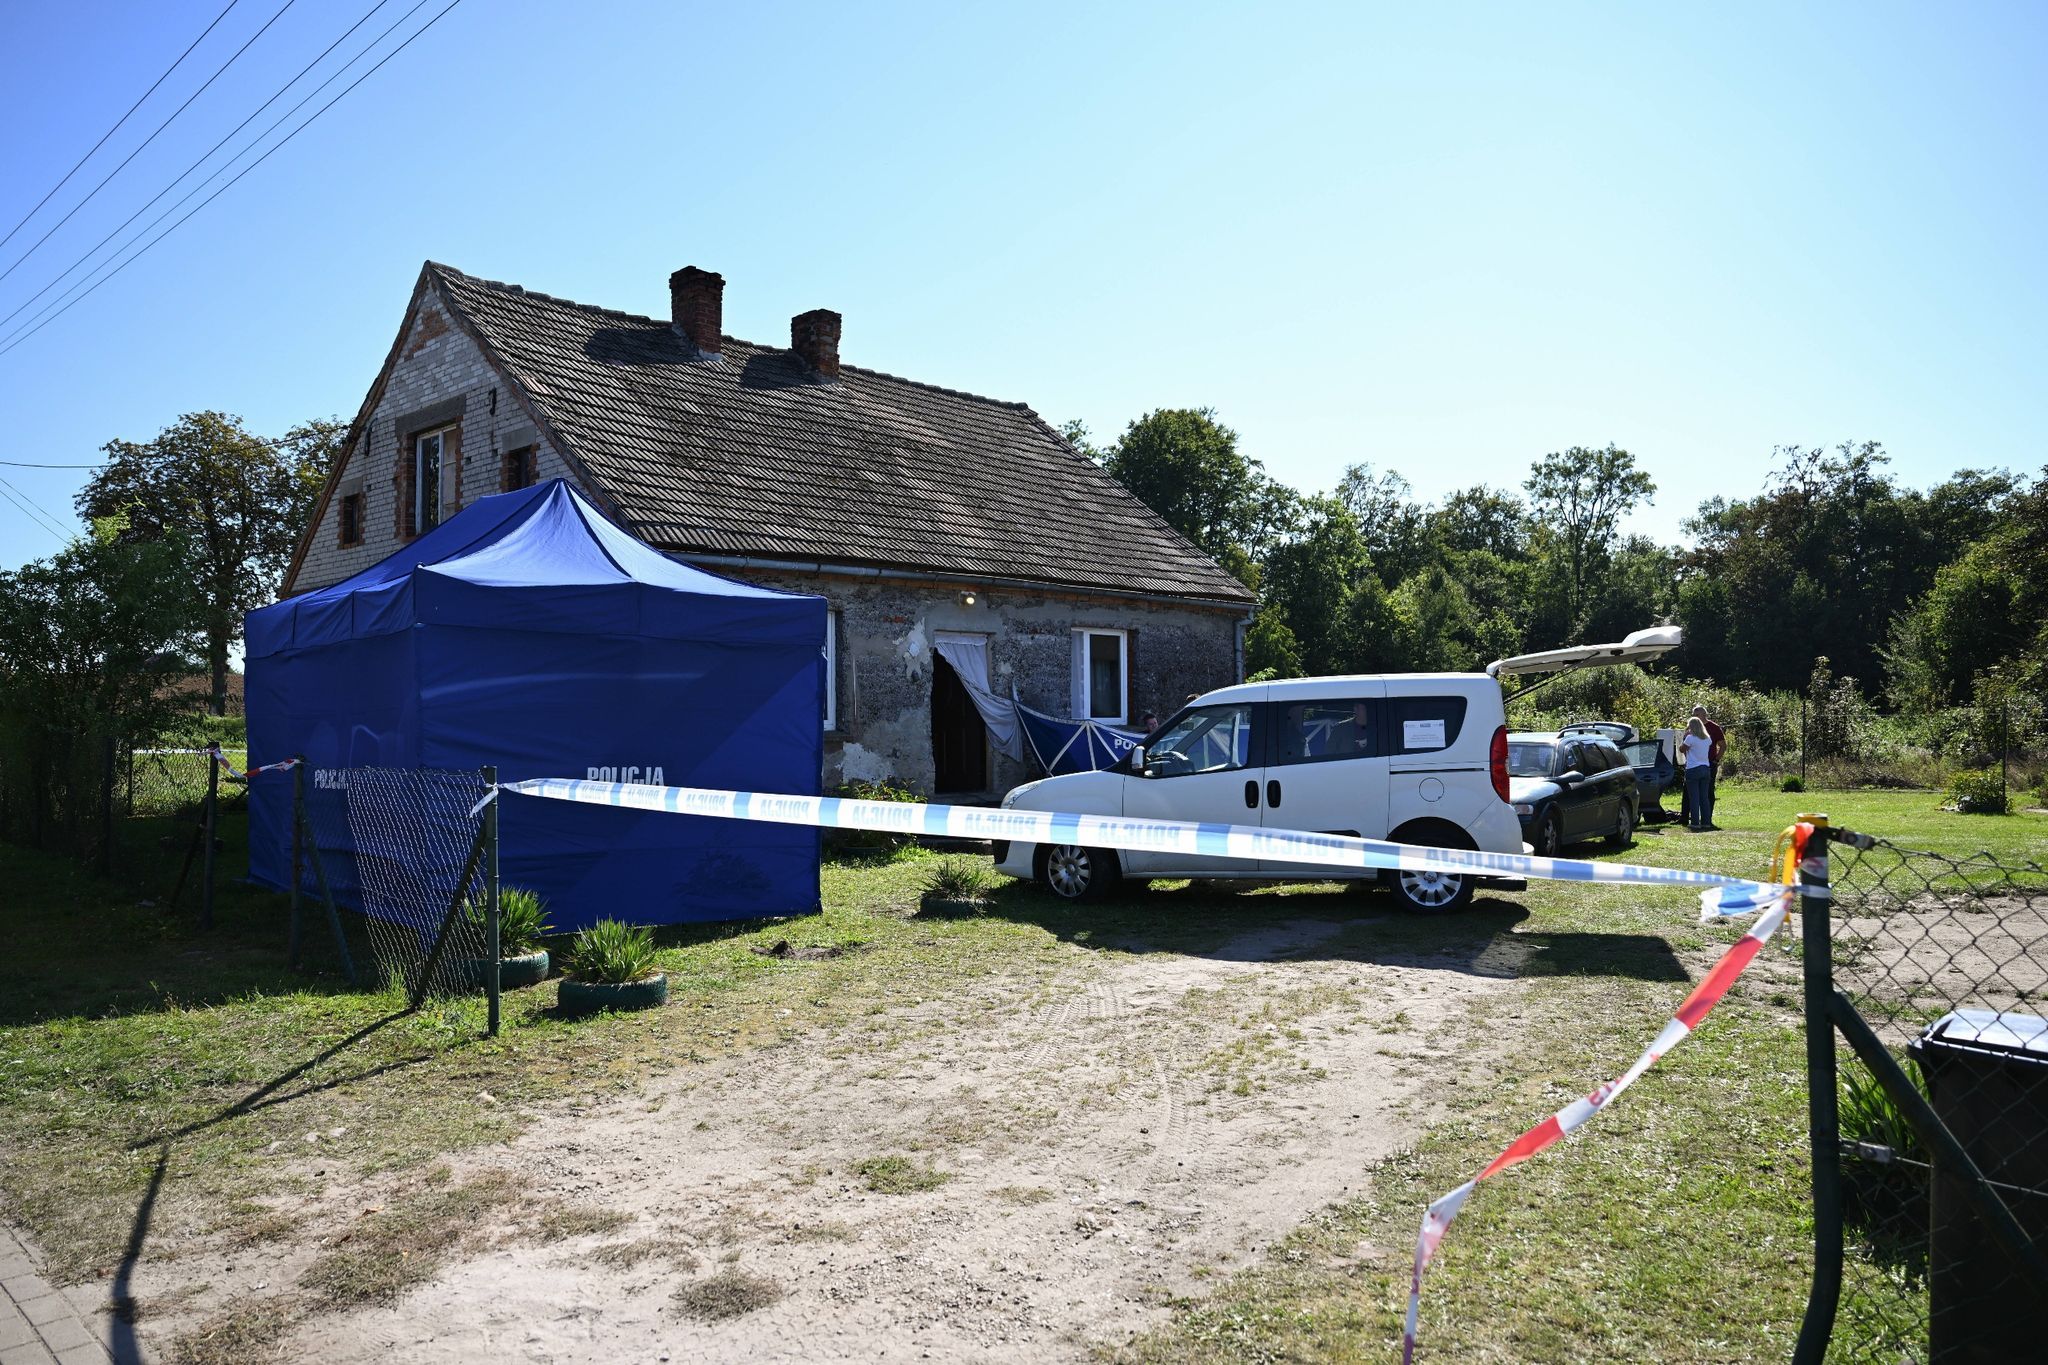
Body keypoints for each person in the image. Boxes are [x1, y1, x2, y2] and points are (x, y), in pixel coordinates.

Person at [1679, 716, 1714, 831]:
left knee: (1694, 797)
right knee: (1704, 797)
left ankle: (1695, 822)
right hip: (1705, 768)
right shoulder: (1707, 739)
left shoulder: (1690, 738)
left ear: (1691, 726)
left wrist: (1683, 738)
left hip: (1693, 768)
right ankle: (1706, 822)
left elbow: (1682, 749)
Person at [1693, 704, 1726, 820]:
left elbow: (1723, 745)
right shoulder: (1692, 728)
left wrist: (1716, 760)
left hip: (1710, 764)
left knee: (1708, 791)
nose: (1695, 717)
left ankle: (1707, 817)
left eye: (1698, 715)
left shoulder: (1714, 727)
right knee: (1693, 792)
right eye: (1694, 715)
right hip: (1695, 764)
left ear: (1704, 714)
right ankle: (1691, 817)